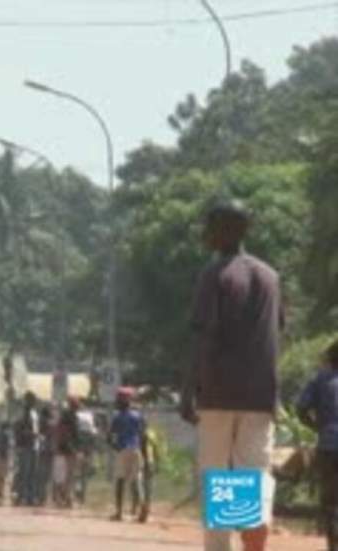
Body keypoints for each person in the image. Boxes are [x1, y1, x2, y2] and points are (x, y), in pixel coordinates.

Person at [181, 199, 283, 551]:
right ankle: (255, 523)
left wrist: (188, 388)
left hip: (219, 391)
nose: (204, 234)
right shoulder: (270, 276)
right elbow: (276, 331)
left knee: (218, 475)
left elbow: (205, 335)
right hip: (261, 393)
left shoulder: (215, 274)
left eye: (209, 227)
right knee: (252, 468)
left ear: (224, 231)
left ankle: (223, 545)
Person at [296, 338, 338, 551]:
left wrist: (318, 428)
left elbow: (301, 409)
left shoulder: (320, 380)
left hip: (328, 446)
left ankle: (333, 545)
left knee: (330, 502)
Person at [109, 387, 145, 521]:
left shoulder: (117, 416)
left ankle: (119, 512)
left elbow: (110, 435)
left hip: (123, 448)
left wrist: (115, 447)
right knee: (137, 479)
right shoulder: (138, 415)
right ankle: (142, 507)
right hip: (136, 448)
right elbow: (143, 434)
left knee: (120, 480)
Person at [13, 392, 40, 506]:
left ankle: (30, 496)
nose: (34, 403)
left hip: (34, 445)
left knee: (32, 473)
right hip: (25, 446)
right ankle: (20, 495)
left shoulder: (34, 413)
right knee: (24, 472)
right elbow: (18, 429)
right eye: (32, 400)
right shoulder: (22, 413)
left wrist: (36, 435)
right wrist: (30, 434)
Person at [55, 398, 81, 508]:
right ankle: (67, 498)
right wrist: (74, 448)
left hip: (62, 448)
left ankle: (63, 497)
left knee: (63, 474)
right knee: (70, 474)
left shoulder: (64, 416)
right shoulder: (71, 417)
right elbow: (71, 434)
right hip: (69, 448)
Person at [140, 424, 161, 523]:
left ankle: (144, 511)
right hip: (149, 462)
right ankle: (145, 510)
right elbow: (156, 449)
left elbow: (151, 449)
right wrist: (157, 461)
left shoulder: (141, 434)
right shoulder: (151, 434)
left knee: (142, 487)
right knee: (147, 487)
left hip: (143, 462)